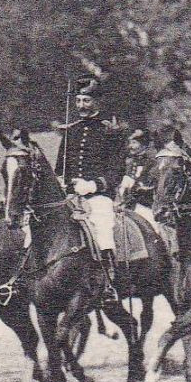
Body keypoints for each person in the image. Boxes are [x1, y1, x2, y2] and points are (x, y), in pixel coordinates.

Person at [55, 75, 127, 301]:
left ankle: (108, 282)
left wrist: (93, 185)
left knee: (103, 227)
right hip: (70, 195)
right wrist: (62, 182)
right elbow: (60, 167)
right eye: (78, 101)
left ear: (98, 102)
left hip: (98, 196)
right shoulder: (71, 131)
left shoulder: (110, 131)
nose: (81, 106)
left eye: (86, 100)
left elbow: (116, 172)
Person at [117, 128, 160, 227]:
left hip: (144, 205)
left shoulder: (153, 164)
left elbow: (150, 185)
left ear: (144, 145)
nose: (130, 146)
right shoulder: (127, 162)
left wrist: (136, 186)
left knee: (151, 226)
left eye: (134, 143)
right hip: (124, 205)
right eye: (129, 143)